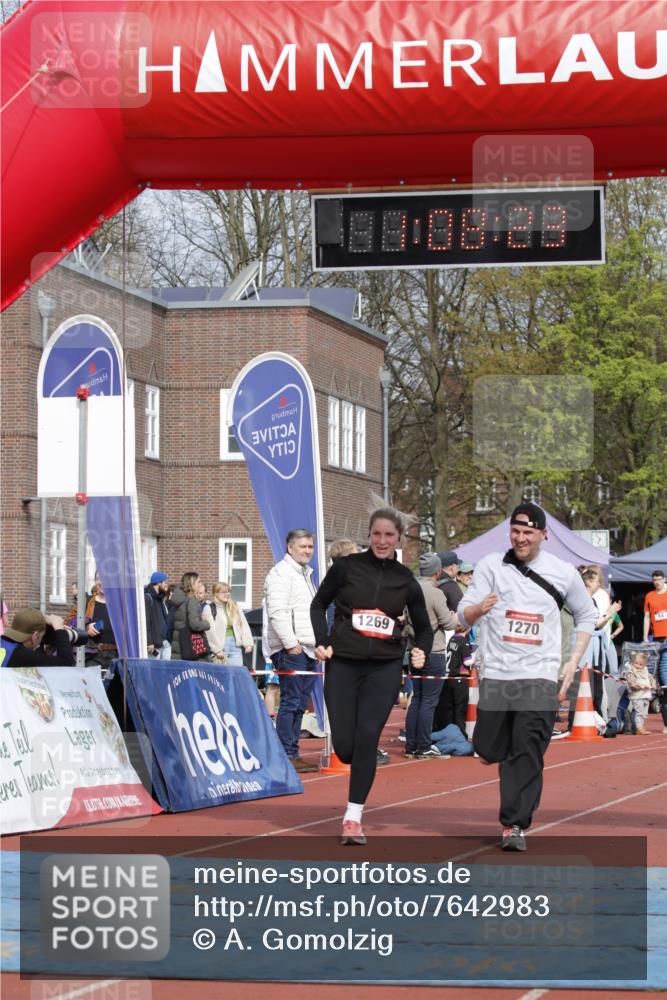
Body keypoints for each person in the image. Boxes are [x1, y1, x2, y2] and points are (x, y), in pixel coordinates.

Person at [458, 501, 597, 852]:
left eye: (528, 533)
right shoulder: (490, 566)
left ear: (543, 534)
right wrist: (477, 610)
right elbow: (462, 615)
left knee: (527, 750)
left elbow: (586, 615)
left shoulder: (562, 572)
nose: (520, 538)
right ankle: (496, 754)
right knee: (488, 748)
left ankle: (514, 824)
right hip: (497, 674)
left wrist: (572, 663)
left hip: (539, 675)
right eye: (515, 531)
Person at [311, 504, 433, 845]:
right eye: (376, 534)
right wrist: (322, 640)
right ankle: (354, 766)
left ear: (399, 539)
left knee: (367, 736)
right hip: (343, 663)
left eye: (388, 535)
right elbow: (318, 604)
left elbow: (424, 628)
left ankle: (353, 817)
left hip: (384, 666)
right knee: (346, 748)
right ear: (369, 535)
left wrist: (421, 650)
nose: (382, 541)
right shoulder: (346, 567)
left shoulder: (406, 580)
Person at [263, 529, 320, 774]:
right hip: (292, 649)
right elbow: (277, 611)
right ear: (290, 548)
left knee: (300, 704)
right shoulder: (280, 574)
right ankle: (286, 754)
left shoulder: (305, 574)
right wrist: (289, 643)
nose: (308, 551)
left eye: (310, 547)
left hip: (307, 648)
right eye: (303, 546)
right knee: (291, 701)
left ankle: (293, 752)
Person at [405, 553, 458, 758]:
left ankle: (411, 746)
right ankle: (424, 746)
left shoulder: (409, 590)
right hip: (434, 651)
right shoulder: (435, 593)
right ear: (437, 572)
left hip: (414, 650)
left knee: (417, 699)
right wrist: (453, 616)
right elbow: (449, 623)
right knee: (428, 701)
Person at [0, 608, 79, 667]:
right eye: (41, 637)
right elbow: (66, 663)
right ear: (35, 636)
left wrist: (46, 653)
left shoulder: (4, 643)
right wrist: (59, 628)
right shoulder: (22, 655)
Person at [204, 582, 254, 665]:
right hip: (220, 648)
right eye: (223, 592)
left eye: (228, 592)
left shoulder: (235, 606)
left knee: (237, 672)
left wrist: (248, 642)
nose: (227, 594)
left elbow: (244, 624)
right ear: (216, 594)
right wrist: (217, 649)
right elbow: (209, 632)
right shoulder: (209, 608)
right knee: (220, 673)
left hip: (236, 647)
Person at [644, 569, 667, 733]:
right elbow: (646, 617)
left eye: (659, 579)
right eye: (655, 580)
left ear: (664, 579)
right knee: (659, 676)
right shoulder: (650, 596)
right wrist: (645, 636)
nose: (657, 582)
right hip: (656, 639)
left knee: (664, 676)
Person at [170, 571, 211, 660]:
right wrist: (206, 623)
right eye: (198, 582)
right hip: (191, 646)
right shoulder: (191, 600)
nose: (200, 584)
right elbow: (195, 625)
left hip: (180, 643)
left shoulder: (180, 600)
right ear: (191, 584)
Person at [85, 578, 118, 670]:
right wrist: (86, 627)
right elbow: (69, 622)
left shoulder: (119, 604)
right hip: (92, 655)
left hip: (114, 657)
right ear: (95, 581)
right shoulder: (87, 601)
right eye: (99, 578)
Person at [625, 650, 656, 735]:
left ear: (644, 665)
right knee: (639, 712)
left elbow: (651, 677)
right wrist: (635, 685)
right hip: (637, 696)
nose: (638, 666)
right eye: (636, 663)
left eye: (640, 664)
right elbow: (631, 681)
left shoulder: (645, 670)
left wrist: (653, 683)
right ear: (633, 662)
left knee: (644, 713)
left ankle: (640, 726)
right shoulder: (631, 671)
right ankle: (638, 727)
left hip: (646, 695)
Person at [145, 571, 172, 659]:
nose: (167, 584)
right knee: (155, 666)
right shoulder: (148, 598)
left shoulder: (160, 598)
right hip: (154, 645)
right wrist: (149, 642)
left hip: (164, 641)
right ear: (158, 583)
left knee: (166, 666)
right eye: (165, 582)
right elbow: (146, 621)